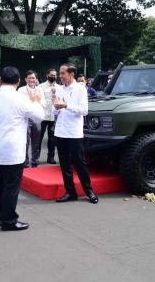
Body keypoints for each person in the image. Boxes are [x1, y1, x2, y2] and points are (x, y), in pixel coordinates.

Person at [0, 66, 44, 231]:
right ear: (19, 81)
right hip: (11, 149)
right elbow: (39, 117)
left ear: (0, 80)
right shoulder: (21, 99)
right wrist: (35, 100)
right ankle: (9, 221)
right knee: (11, 187)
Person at [53, 63, 98, 204]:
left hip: (74, 132)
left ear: (71, 74)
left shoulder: (80, 89)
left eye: (62, 73)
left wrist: (66, 106)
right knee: (64, 164)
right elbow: (55, 112)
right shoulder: (60, 89)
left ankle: (89, 190)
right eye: (60, 74)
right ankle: (70, 192)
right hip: (60, 131)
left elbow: (84, 111)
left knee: (80, 163)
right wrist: (55, 106)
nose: (60, 76)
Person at [17, 70, 46, 167]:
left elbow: (44, 104)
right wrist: (31, 99)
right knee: (25, 141)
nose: (31, 80)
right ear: (25, 79)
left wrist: (37, 99)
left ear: (36, 79)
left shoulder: (40, 90)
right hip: (25, 118)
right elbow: (19, 104)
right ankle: (24, 162)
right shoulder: (21, 90)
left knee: (36, 142)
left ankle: (35, 162)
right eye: (29, 78)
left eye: (33, 78)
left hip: (37, 118)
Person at [38, 68, 60, 164]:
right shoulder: (40, 86)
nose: (53, 77)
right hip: (42, 116)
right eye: (51, 75)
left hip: (53, 116)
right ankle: (36, 157)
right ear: (47, 75)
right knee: (39, 137)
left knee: (52, 139)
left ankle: (50, 157)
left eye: (55, 75)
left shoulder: (60, 87)